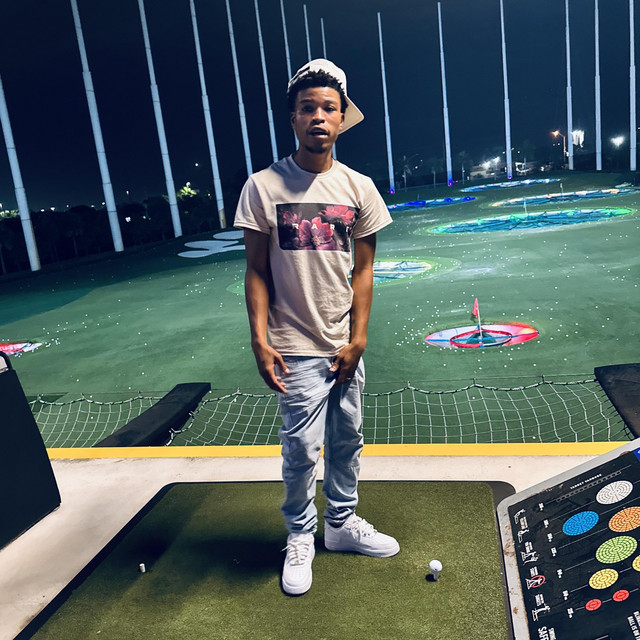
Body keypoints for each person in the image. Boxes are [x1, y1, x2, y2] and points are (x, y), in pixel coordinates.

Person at [234, 59, 398, 596]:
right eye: (308, 108)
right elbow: (256, 270)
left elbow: (364, 270)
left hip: (343, 345)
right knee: (302, 451)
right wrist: (259, 339)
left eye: (329, 108)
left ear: (342, 118)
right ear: (294, 119)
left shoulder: (359, 187)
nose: (319, 117)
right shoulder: (262, 186)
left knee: (347, 440)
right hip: (293, 344)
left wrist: (359, 338)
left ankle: (340, 524)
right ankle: (301, 534)